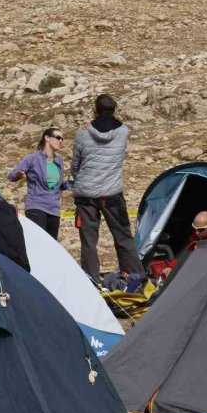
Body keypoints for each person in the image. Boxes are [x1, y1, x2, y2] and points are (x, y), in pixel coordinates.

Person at [71, 94, 146, 282]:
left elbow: (76, 163)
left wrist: (73, 180)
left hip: (86, 194)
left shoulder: (83, 133)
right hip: (112, 193)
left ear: (94, 110)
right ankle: (136, 277)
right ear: (114, 110)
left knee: (89, 241)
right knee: (123, 237)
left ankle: (91, 280)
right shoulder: (123, 132)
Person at [7, 128, 69, 239]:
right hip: (36, 205)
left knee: (51, 246)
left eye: (62, 139)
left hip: (54, 209)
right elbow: (11, 176)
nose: (61, 141)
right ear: (47, 138)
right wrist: (18, 175)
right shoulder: (32, 158)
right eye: (58, 137)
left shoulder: (59, 161)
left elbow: (58, 185)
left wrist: (70, 184)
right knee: (38, 242)